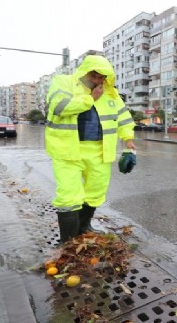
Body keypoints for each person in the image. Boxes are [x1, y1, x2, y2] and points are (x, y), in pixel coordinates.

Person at [45, 55, 136, 243]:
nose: (98, 81)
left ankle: (83, 227)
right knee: (69, 196)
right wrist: (90, 99)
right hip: (68, 149)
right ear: (85, 71)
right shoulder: (63, 82)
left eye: (102, 77)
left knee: (95, 192)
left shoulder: (110, 93)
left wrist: (128, 139)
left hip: (100, 150)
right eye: (95, 76)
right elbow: (59, 107)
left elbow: (123, 117)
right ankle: (69, 242)